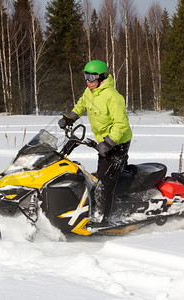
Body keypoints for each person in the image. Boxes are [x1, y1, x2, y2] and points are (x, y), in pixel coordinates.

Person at [58, 60, 132, 227]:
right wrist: (69, 118)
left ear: (101, 77)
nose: (87, 80)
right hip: (103, 143)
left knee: (104, 183)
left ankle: (102, 220)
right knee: (100, 176)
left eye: (91, 77)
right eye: (85, 76)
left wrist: (109, 143)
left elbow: (121, 125)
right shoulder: (89, 92)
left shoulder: (113, 97)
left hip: (117, 144)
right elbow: (80, 106)